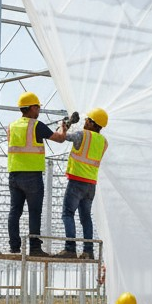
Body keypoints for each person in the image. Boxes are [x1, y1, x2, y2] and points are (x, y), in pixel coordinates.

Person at [6, 91, 68, 256]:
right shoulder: (36, 125)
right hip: (32, 175)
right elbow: (60, 139)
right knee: (34, 211)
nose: (39, 110)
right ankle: (34, 248)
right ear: (32, 108)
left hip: (14, 174)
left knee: (15, 211)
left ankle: (14, 246)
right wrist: (64, 128)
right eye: (38, 107)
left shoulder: (11, 126)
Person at [57, 108, 109, 259]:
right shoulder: (104, 142)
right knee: (86, 217)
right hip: (91, 185)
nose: (85, 122)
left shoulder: (82, 135)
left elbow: (63, 137)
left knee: (68, 214)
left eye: (87, 120)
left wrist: (64, 125)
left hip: (76, 182)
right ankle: (88, 251)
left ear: (92, 123)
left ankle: (70, 249)